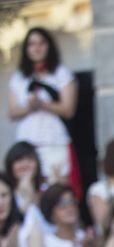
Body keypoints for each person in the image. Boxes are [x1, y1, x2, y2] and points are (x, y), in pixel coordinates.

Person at [7, 27, 80, 196]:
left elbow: (68, 109)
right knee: (28, 187)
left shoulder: (61, 73)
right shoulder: (19, 77)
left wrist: (42, 104)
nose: (37, 48)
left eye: (41, 43)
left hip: (54, 141)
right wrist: (29, 106)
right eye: (32, 44)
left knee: (57, 187)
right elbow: (12, 112)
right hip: (28, 142)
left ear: (49, 46)